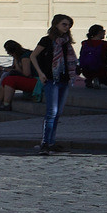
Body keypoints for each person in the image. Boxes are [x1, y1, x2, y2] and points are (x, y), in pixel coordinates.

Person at [32, 15, 78, 154]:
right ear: (56, 24)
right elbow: (33, 56)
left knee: (58, 113)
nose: (67, 27)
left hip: (64, 80)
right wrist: (40, 73)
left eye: (69, 25)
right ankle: (45, 143)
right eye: (64, 24)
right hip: (51, 79)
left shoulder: (66, 42)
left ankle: (52, 142)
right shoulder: (47, 41)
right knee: (51, 112)